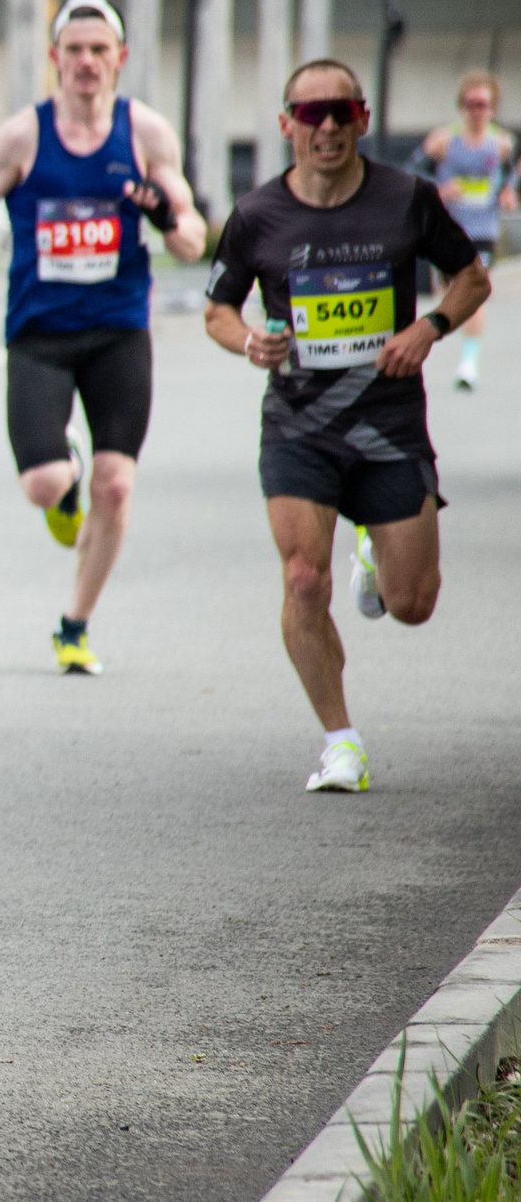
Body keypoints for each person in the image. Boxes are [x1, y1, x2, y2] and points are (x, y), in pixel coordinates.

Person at [203, 59, 491, 793]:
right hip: (300, 425)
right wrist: (247, 341)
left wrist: (429, 327)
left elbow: (472, 277)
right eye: (310, 114)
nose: (327, 126)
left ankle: (375, 551)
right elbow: (217, 308)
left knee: (412, 605)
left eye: (341, 112)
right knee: (303, 581)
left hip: (388, 422)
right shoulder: (258, 217)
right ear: (285, 126)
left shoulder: (407, 199)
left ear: (363, 119)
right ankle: (341, 742)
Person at [0, 0, 205, 675]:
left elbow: (192, 239)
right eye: (74, 51)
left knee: (117, 487)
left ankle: (74, 625)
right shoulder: (23, 137)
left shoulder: (146, 134)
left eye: (99, 51)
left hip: (119, 331)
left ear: (120, 60)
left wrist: (166, 218)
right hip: (40, 333)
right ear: (55, 60)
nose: (87, 63)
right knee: (43, 483)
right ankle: (65, 488)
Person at [411, 70, 516, 390]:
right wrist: (440, 188)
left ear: (493, 108)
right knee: (450, 291)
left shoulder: (502, 145)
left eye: (482, 105)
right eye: (470, 104)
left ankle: (469, 364)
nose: (476, 111)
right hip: (448, 227)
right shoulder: (443, 141)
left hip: (483, 228)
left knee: (475, 293)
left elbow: (509, 178)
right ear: (461, 107)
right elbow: (412, 173)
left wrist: (508, 192)